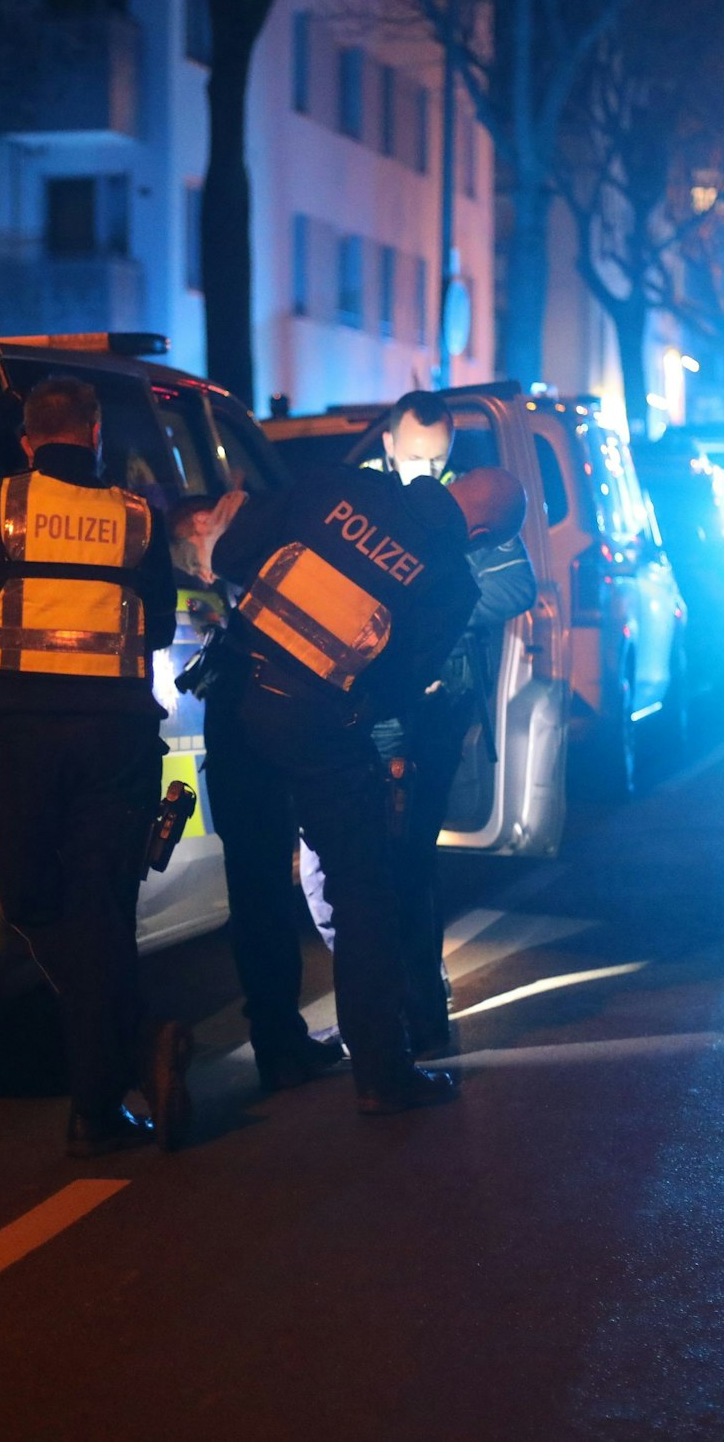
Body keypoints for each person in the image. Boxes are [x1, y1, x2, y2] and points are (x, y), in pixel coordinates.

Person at [196, 456, 528, 1111]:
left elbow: (232, 555)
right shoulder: (450, 586)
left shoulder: (338, 484)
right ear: (484, 535)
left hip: (233, 698)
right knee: (363, 886)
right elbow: (400, 686)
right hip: (315, 722)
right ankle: (381, 1071)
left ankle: (280, 1050)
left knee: (256, 880)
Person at [0, 377, 193, 1154]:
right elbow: (161, 626)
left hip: (29, 739)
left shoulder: (1, 501)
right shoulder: (139, 518)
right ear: (98, 432)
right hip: (116, 739)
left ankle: (104, 1097)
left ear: (28, 440)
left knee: (31, 897)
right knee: (101, 910)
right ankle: (121, 1071)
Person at [301, 393, 537, 1054]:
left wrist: (426, 602)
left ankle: (406, 1013)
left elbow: (516, 587)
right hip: (360, 710)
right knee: (337, 874)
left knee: (393, 869)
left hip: (423, 713)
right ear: (386, 446)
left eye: (437, 459)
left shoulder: (467, 509)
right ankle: (394, 1006)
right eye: (413, 457)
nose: (424, 471)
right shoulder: (367, 502)